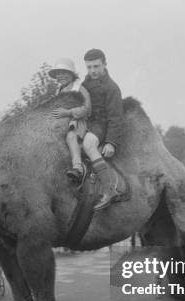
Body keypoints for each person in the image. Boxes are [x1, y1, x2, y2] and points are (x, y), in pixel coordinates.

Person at [81, 48, 124, 211]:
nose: (92, 71)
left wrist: (111, 142)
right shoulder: (84, 84)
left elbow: (115, 117)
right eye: (89, 67)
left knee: (89, 144)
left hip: (101, 125)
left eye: (96, 66)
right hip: (85, 123)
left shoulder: (112, 88)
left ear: (105, 65)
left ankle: (109, 188)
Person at [49, 58, 92, 182]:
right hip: (60, 122)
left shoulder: (80, 89)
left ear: (72, 74)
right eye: (58, 73)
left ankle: (78, 166)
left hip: (77, 122)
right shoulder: (59, 90)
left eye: (65, 72)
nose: (61, 76)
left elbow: (87, 109)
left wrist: (68, 112)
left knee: (70, 136)